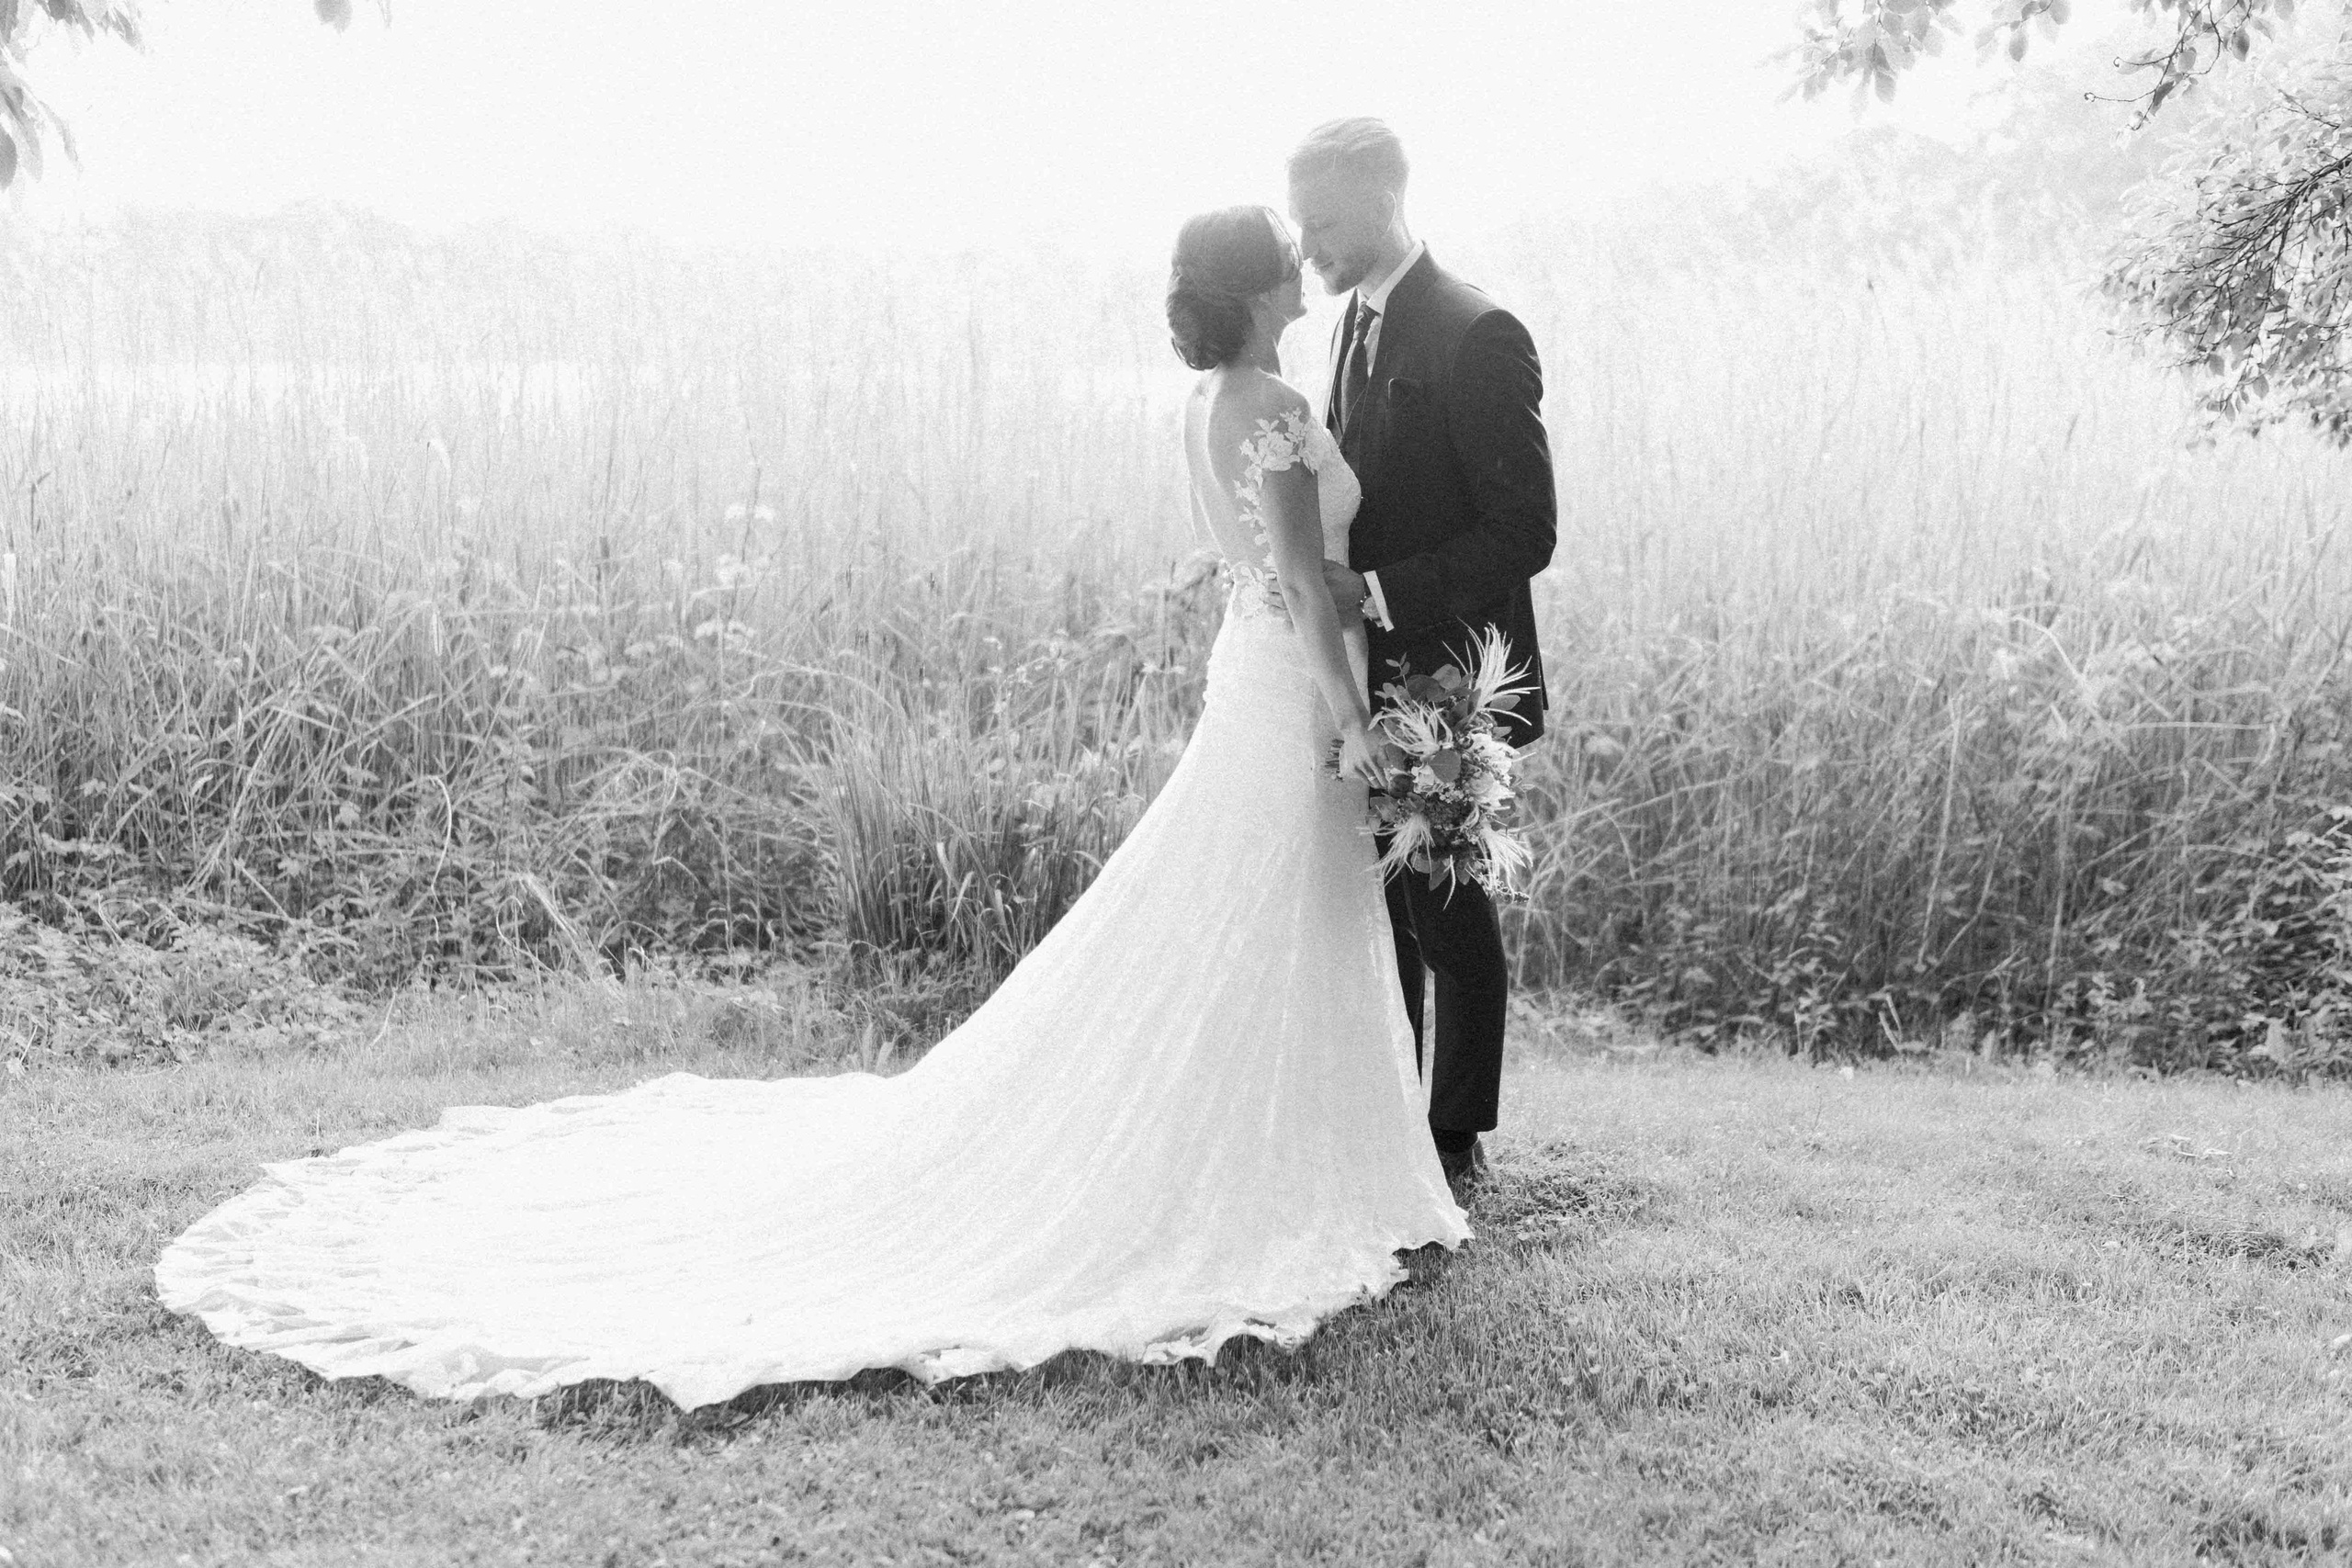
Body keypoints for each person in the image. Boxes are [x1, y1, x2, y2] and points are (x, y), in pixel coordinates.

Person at [152, 204, 1467, 1410]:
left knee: (1243, 919)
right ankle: (1265, 1165)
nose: (1303, 263)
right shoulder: (1280, 400)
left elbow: (1275, 573)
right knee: (1249, 913)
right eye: (1280, 258)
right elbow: (1300, 574)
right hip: (1291, 691)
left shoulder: (1214, 401)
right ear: (1252, 290)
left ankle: (1297, 1148)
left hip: (1255, 678)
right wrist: (1359, 722)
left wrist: (1353, 646)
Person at [1288, 118, 1556, 1194]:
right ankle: (1398, 1109)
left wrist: (1385, 591)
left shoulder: (1476, 331)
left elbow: (1524, 531)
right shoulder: (1348, 322)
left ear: (1388, 196)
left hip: (1447, 668)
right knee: (1388, 902)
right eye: (1301, 225)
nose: (1308, 246)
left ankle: (1455, 1135)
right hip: (1366, 667)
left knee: (1446, 903)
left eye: (1327, 222)